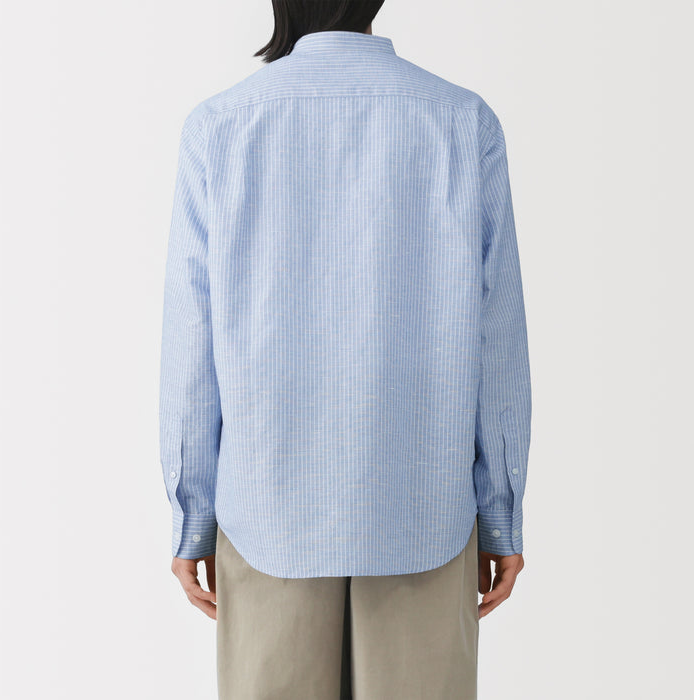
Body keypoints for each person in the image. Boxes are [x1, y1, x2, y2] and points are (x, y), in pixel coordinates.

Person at [159, 1, 531, 697]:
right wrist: (500, 512)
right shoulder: (462, 120)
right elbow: (497, 337)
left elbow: (192, 343)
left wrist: (193, 518)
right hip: (426, 510)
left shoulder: (220, 125)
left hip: (268, 512)